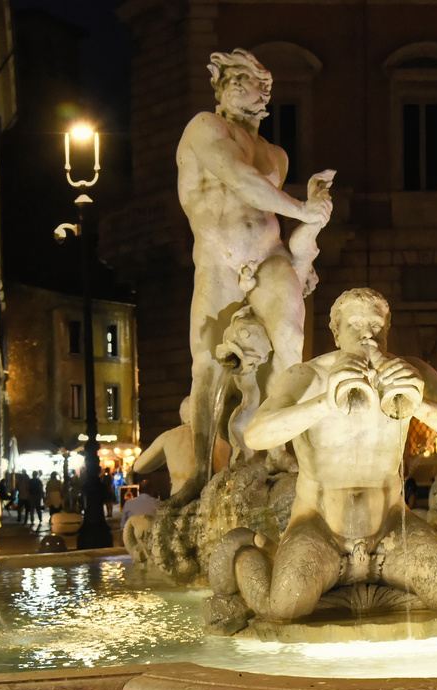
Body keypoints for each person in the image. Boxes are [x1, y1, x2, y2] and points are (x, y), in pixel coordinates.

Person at [223, 288, 437, 623]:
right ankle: (252, 553)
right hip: (320, 529)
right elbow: (257, 435)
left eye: (376, 325)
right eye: (355, 324)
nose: (368, 333)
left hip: (391, 530)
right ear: (336, 332)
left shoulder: (409, 372)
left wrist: (418, 403)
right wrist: (324, 402)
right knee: (283, 608)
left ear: (388, 329)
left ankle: (426, 551)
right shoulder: (306, 376)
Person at [173, 48, 335, 503]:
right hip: (218, 261)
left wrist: (307, 248)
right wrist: (303, 207)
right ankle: (200, 474)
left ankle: (287, 451)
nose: (259, 88)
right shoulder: (206, 128)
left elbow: (267, 213)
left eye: (265, 83)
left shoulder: (276, 154)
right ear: (222, 85)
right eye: (246, 79)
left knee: (289, 348)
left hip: (269, 257)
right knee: (205, 365)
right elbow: (240, 180)